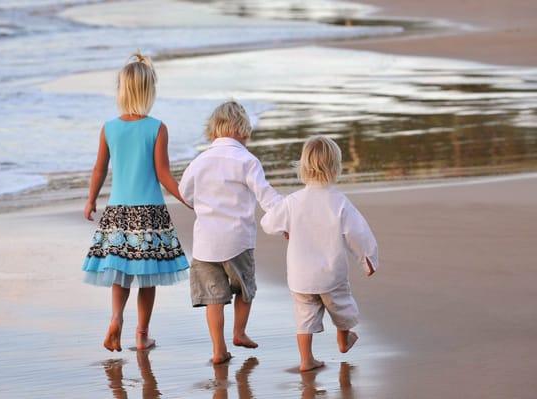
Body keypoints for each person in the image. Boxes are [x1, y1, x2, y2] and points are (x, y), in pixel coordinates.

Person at [82, 52, 189, 352]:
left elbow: (99, 168)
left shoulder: (109, 128)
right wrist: (187, 198)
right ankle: (142, 335)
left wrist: (91, 199)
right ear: (149, 91)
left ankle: (116, 317)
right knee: (148, 277)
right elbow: (163, 174)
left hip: (117, 212)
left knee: (120, 271)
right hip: (150, 213)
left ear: (122, 90)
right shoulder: (157, 128)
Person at [261, 135, 378, 372]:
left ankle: (306, 360)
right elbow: (358, 233)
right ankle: (343, 340)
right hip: (331, 275)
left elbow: (268, 223)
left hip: (300, 277)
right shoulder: (339, 202)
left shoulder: (293, 201)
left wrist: (285, 226)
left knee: (304, 318)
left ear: (303, 167)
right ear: (336, 167)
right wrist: (368, 259)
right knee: (342, 308)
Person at [179, 101, 281, 364]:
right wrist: (285, 218)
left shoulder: (200, 161)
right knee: (245, 290)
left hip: (205, 245)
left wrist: (200, 204)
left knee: (214, 298)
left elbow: (184, 192)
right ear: (243, 130)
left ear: (213, 131)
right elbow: (265, 195)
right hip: (238, 240)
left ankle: (218, 350)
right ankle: (240, 332)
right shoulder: (247, 161)